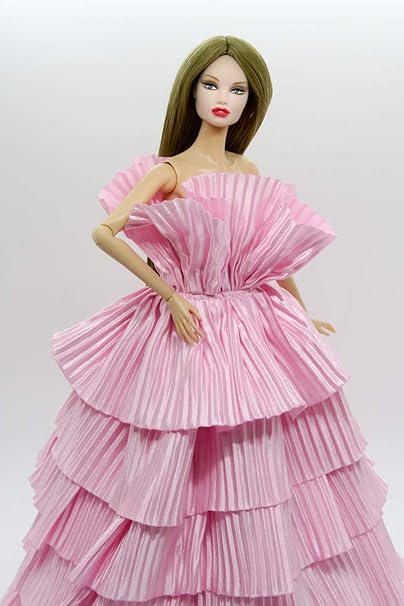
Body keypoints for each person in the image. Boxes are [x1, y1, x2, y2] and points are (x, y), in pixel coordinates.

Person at [2, 34, 404, 605]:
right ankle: (162, 571)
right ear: (190, 93)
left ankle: (250, 566)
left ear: (251, 102)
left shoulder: (249, 169)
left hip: (249, 323)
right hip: (187, 323)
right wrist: (169, 294)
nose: (223, 98)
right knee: (171, 438)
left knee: (254, 445)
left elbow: (271, 255)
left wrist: (303, 315)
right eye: (211, 85)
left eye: (238, 90)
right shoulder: (169, 171)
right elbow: (105, 232)